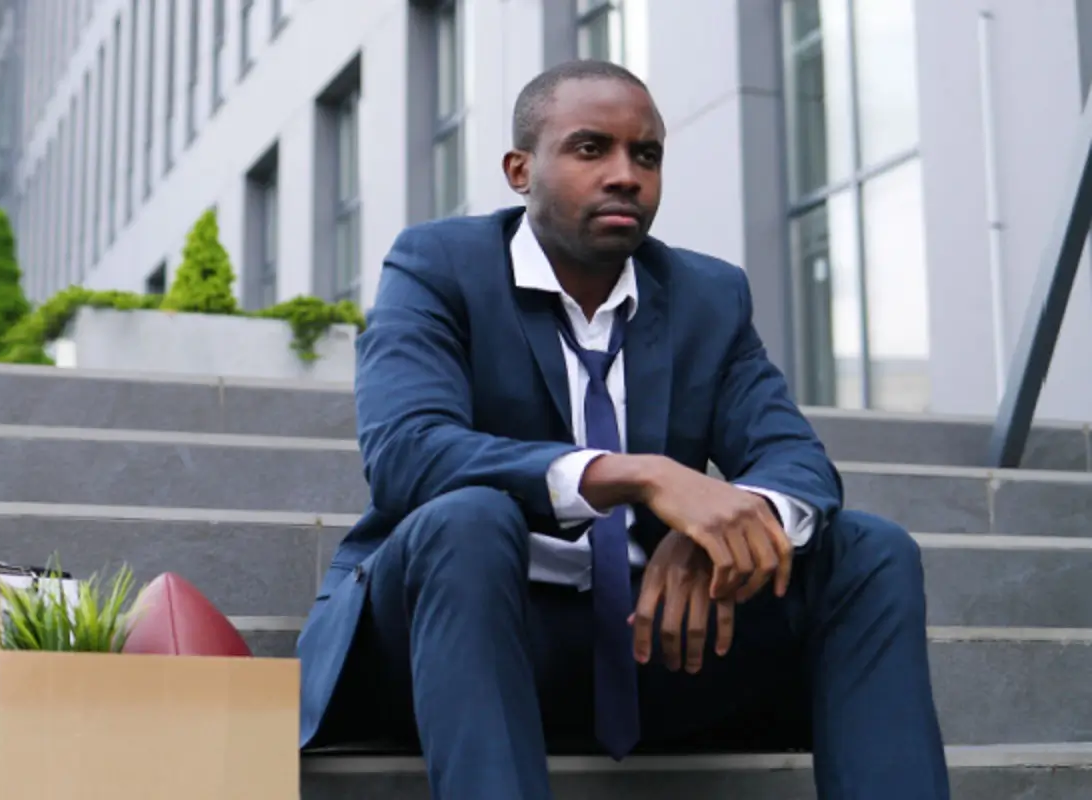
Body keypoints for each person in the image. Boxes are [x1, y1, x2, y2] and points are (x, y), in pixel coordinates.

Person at [294, 59, 950, 799]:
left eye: (646, 155)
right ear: (520, 170)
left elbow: (795, 460)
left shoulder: (708, 295)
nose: (625, 175)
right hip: (462, 638)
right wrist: (641, 475)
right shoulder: (438, 266)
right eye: (589, 149)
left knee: (869, 548)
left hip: (661, 638)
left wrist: (721, 530)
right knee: (467, 517)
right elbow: (407, 453)